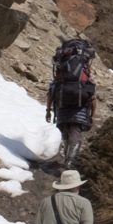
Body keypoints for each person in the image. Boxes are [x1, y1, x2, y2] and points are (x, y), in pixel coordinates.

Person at [45, 38, 98, 166]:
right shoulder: (83, 66)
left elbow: (51, 92)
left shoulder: (62, 65)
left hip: (62, 105)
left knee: (65, 132)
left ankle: (67, 158)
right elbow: (92, 97)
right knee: (76, 133)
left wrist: (48, 111)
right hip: (80, 107)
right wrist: (92, 116)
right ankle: (70, 161)